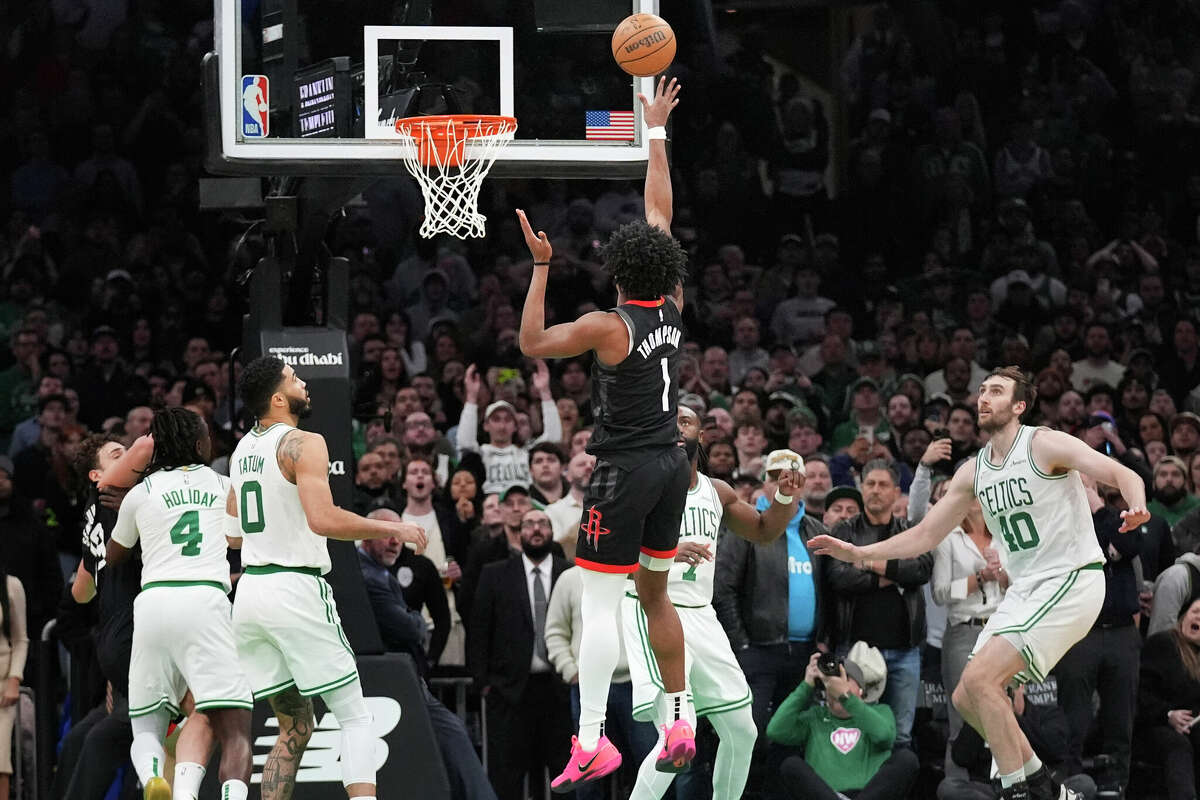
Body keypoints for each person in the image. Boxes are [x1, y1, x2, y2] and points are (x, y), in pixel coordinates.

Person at [811, 366, 1150, 800]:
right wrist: (860, 554)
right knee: (967, 697)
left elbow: (1125, 475)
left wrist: (1136, 508)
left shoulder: (1043, 442)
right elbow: (926, 534)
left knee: (986, 682)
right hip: (1026, 590)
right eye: (982, 390)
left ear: (1019, 405)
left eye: (996, 391)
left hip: (1070, 578)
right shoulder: (973, 473)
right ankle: (1048, 790)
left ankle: (1016, 790)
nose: (984, 397)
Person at [516, 77, 695, 789]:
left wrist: (540, 268)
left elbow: (532, 342)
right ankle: (678, 717)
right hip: (672, 467)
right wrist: (654, 131)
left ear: (616, 271)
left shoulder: (606, 325)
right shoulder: (674, 306)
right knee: (654, 597)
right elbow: (660, 208)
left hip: (621, 473)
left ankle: (591, 738)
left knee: (597, 605)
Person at [225, 356, 427, 800]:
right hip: (294, 588)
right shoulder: (303, 442)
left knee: (295, 724)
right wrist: (392, 526)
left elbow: (233, 534)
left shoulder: (242, 450)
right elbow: (323, 519)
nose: (304, 383)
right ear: (278, 398)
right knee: (354, 716)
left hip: (252, 595)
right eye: (294, 379)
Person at [625, 408, 801, 800]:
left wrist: (785, 496)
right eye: (668, 421)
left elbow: (764, 531)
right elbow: (610, 556)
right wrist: (667, 553)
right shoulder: (637, 486)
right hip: (651, 606)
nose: (674, 426)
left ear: (700, 437)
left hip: (702, 617)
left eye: (684, 421)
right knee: (678, 735)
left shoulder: (717, 491)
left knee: (743, 729)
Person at [104, 407, 253, 800]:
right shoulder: (224, 486)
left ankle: (156, 777)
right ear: (200, 442)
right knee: (234, 726)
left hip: (153, 603)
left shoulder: (142, 492)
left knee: (147, 726)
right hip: (204, 599)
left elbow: (114, 553)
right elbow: (238, 540)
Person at [357, 509, 496, 800]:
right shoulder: (369, 576)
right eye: (388, 534)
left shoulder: (373, 571)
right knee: (449, 738)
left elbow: (424, 621)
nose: (396, 542)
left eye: (401, 535)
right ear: (366, 534)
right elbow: (413, 628)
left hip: (394, 676)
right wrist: (415, 620)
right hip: (393, 680)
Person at [714, 447, 831, 742]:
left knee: (792, 738)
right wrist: (742, 644)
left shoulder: (817, 530)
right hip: (758, 650)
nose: (784, 484)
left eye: (791, 478)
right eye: (775, 477)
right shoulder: (745, 525)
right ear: (764, 483)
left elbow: (830, 589)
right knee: (751, 736)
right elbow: (722, 587)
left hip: (803, 654)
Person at [825, 459, 932, 748]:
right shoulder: (844, 532)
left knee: (900, 736)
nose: (875, 490)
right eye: (870, 483)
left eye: (883, 484)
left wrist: (866, 561)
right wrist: (893, 572)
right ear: (861, 488)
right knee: (854, 730)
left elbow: (921, 570)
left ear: (896, 492)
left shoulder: (909, 530)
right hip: (853, 651)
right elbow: (839, 577)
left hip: (903, 651)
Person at [467, 508, 572, 800]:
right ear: (517, 532)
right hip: (509, 694)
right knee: (507, 778)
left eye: (543, 524)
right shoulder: (495, 575)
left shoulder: (571, 573)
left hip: (560, 692)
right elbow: (479, 631)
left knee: (566, 777)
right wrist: (484, 683)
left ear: (552, 532)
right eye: (529, 524)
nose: (536, 529)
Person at [767, 649, 919, 800]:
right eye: (832, 682)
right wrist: (806, 685)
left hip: (869, 795)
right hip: (828, 795)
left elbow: (884, 736)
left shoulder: (879, 711)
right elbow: (776, 731)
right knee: (790, 765)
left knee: (907, 759)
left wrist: (847, 698)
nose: (836, 686)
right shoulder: (815, 716)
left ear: (860, 690)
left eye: (844, 679)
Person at [1135, 597, 1200, 800]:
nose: (1199, 618)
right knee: (1177, 745)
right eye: (1196, 611)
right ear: (1183, 616)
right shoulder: (1163, 644)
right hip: (1153, 724)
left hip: (1191, 726)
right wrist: (1167, 715)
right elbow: (1139, 695)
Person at [0, 567, 27, 800]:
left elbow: (20, 640)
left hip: (2, 691)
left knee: (1, 764)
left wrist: (14, 679)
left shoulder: (11, 585)